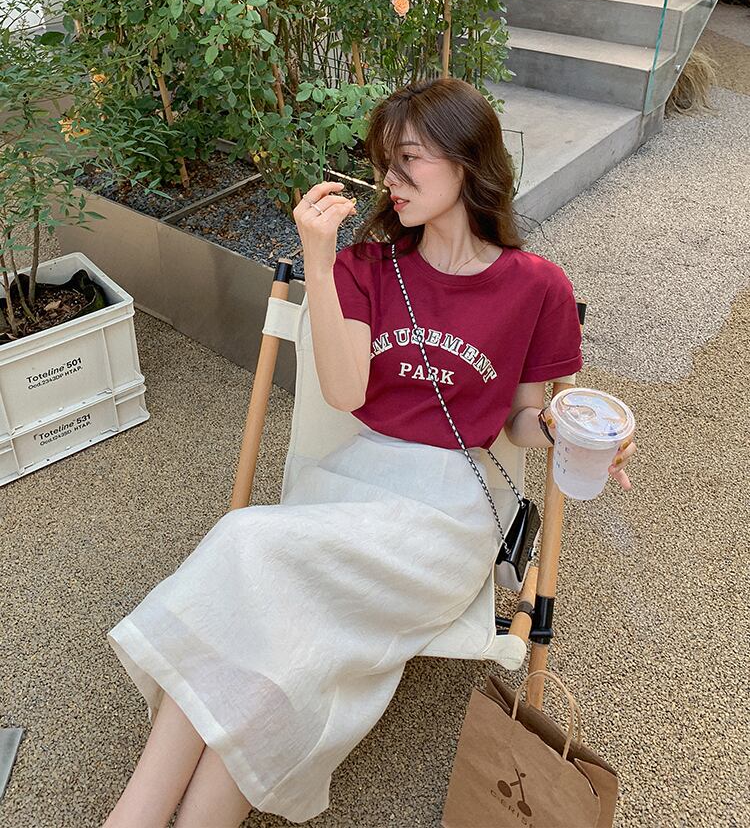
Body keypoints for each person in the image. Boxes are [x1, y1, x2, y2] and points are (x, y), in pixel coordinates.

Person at [103, 77, 636, 828]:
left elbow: (522, 420)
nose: (390, 178)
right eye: (386, 161)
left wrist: (559, 431)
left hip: (447, 512)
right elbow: (347, 390)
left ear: (466, 160)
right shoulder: (366, 268)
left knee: (247, 543)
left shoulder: (538, 287)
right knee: (270, 646)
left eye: (409, 159)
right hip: (353, 483)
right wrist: (319, 264)